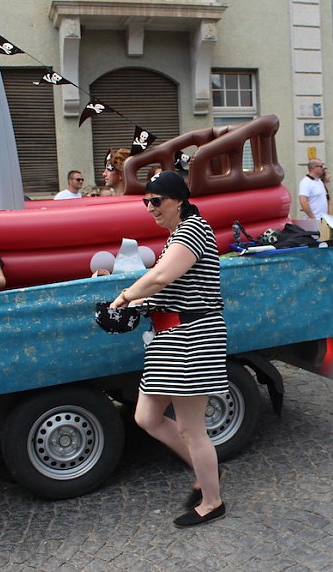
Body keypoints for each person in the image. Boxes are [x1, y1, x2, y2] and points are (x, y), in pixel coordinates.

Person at [109, 171, 226, 528]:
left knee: (193, 429)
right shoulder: (178, 234)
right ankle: (200, 469)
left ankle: (212, 501)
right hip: (170, 338)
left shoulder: (192, 230)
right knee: (146, 417)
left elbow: (160, 278)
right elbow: (167, 286)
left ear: (177, 199)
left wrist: (125, 297)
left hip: (192, 337)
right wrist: (139, 308)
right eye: (146, 201)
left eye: (156, 201)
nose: (150, 208)